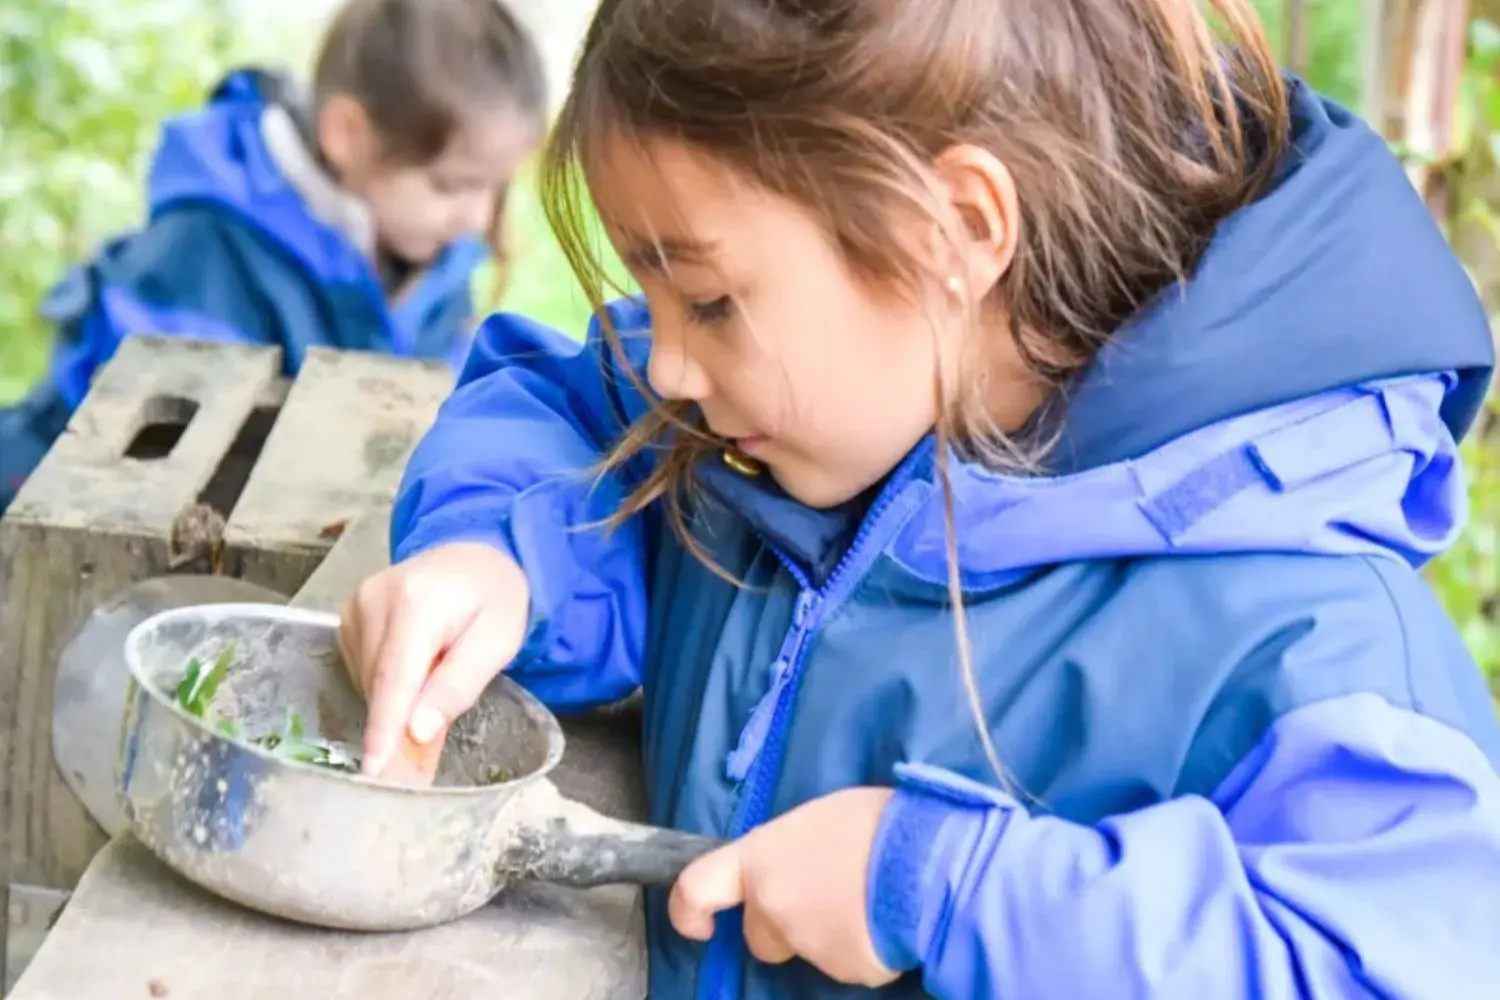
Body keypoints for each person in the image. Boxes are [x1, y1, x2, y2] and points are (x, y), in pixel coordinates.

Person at [338, 0, 1500, 997]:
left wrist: (949, 888)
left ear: (956, 231)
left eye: (709, 299)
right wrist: (500, 553)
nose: (670, 365)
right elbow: (567, 406)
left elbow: (1392, 961)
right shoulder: (829, 401)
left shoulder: (1315, 645)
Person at [0, 0, 545, 514]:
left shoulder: (430, 246)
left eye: (494, 190)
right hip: (50, 502)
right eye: (452, 186)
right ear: (347, 134)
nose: (477, 218)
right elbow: (150, 446)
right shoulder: (207, 243)